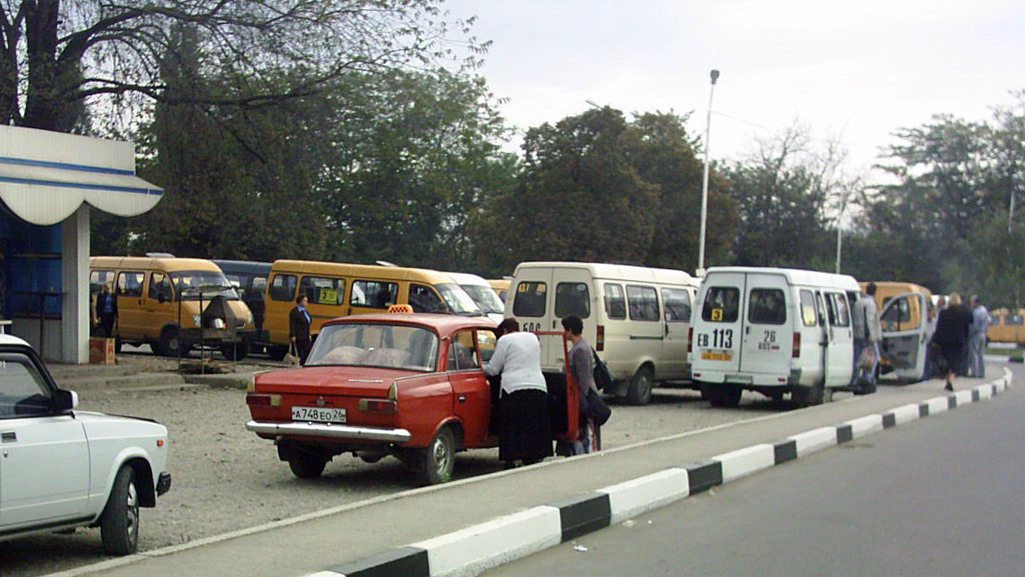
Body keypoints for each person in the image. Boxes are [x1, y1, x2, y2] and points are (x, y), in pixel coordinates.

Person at [483, 318, 552, 468]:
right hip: (537, 386)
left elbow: (493, 369)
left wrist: (481, 368)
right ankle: (534, 455)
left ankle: (513, 458)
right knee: (532, 424)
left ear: (505, 331)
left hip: (514, 388)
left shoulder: (505, 340)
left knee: (513, 426)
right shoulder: (532, 337)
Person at [562, 314, 600, 455]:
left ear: (571, 330)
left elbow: (584, 376)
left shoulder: (580, 349)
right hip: (578, 394)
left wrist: (581, 399)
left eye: (566, 330)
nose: (564, 333)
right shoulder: (580, 346)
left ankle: (586, 451)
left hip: (582, 395)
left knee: (584, 427)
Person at [933, 292, 973, 391]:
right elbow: (970, 322)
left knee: (946, 361)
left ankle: (948, 380)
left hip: (945, 341)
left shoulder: (943, 313)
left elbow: (939, 328)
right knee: (955, 362)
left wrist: (935, 340)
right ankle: (950, 380)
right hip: (959, 341)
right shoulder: (964, 312)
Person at [850, 282, 881, 393]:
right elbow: (869, 321)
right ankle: (867, 380)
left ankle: (854, 380)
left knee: (858, 359)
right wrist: (871, 336)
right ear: (875, 292)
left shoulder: (858, 303)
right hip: (867, 336)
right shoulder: (871, 304)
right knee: (874, 358)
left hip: (857, 335)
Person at [967, 295, 990, 378]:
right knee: (980, 354)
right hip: (983, 334)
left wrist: (969, 334)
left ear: (976, 302)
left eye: (972, 302)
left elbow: (975, 326)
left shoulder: (976, 312)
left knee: (974, 354)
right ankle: (981, 372)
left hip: (976, 335)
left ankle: (975, 373)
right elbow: (988, 322)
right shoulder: (984, 310)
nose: (971, 304)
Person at [289, 295, 313, 365]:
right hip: (298, 335)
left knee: (308, 350)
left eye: (306, 301)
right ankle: (300, 364)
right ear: (300, 301)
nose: (306, 303)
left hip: (306, 335)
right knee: (300, 352)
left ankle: (304, 363)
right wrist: (292, 335)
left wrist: (309, 334)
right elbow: (292, 324)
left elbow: (307, 324)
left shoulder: (305, 311)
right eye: (304, 301)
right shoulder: (295, 311)